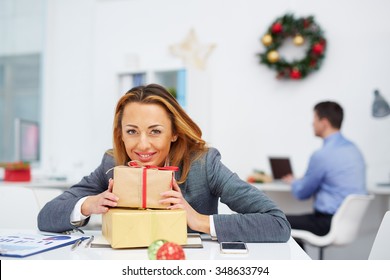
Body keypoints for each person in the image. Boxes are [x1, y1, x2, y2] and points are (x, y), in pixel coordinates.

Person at [38, 83, 291, 243]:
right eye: (132, 131)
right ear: (121, 134)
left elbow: (277, 224)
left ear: (174, 133)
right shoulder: (112, 163)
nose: (142, 145)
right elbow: (45, 217)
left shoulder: (205, 165)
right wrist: (86, 205)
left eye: (155, 131)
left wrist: (197, 220)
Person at [282, 101, 366, 245]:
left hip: (326, 223)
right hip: (345, 223)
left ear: (324, 122)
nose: (312, 124)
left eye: (314, 119)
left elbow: (302, 193)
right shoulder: (354, 150)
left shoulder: (322, 155)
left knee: (277, 221)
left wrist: (294, 182)